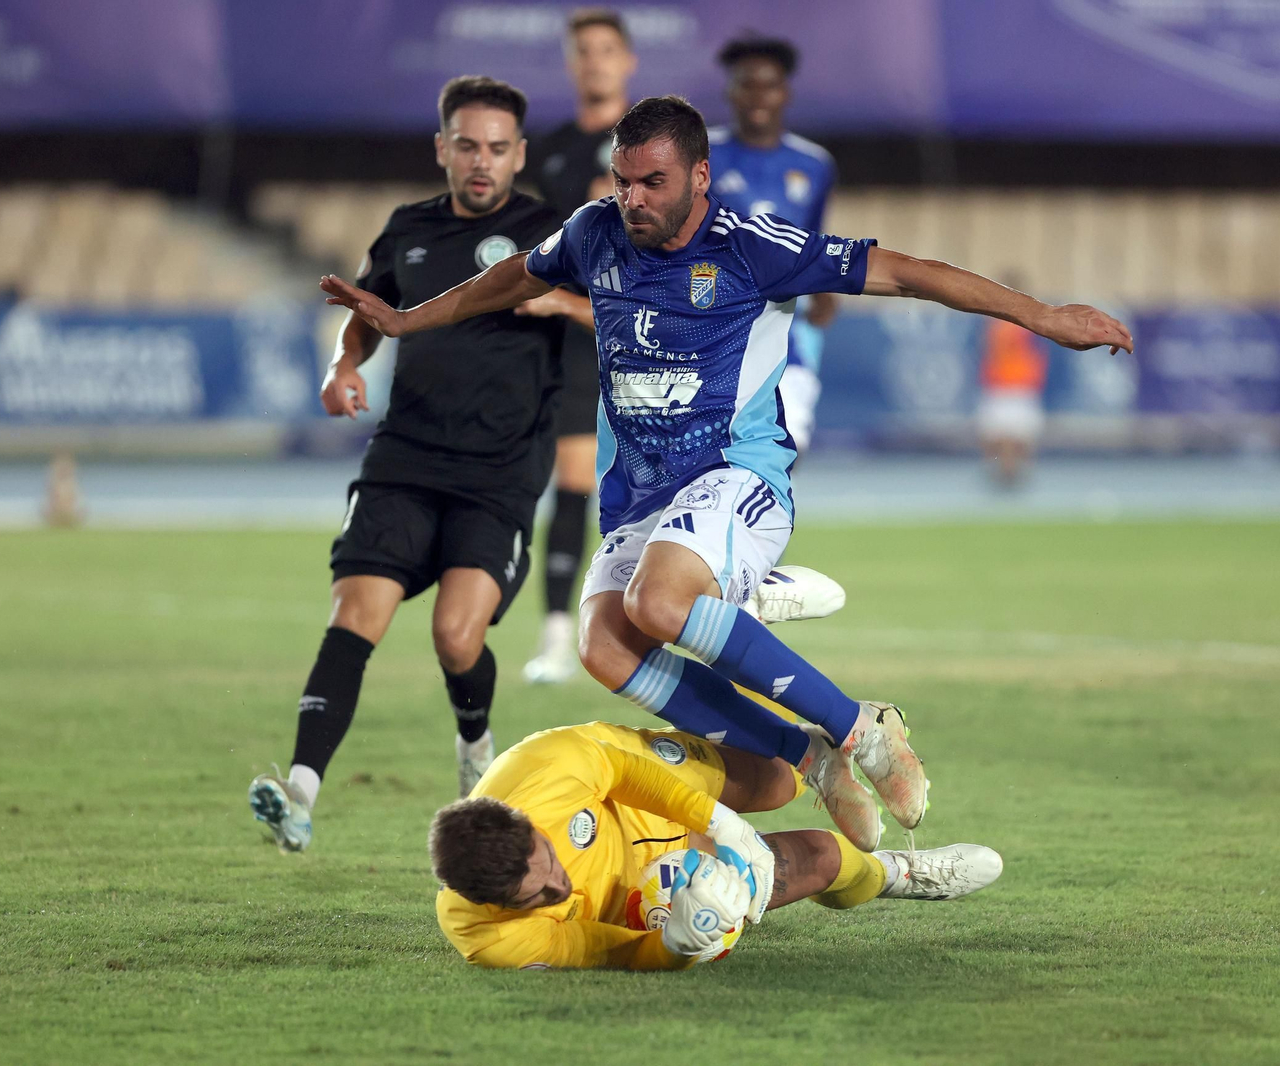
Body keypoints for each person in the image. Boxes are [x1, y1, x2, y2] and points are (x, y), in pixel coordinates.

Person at [318, 95, 1133, 847]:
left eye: (653, 182)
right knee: (605, 647)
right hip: (640, 497)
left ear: (700, 177)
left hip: (737, 476)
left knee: (658, 601)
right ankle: (807, 755)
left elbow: (907, 271)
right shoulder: (594, 232)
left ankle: (862, 729)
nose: (633, 198)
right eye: (623, 180)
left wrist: (1041, 315)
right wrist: (406, 321)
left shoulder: (752, 248)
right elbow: (510, 278)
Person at [248, 76, 592, 852]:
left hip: (500, 472)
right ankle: (299, 794)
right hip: (404, 458)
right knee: (353, 616)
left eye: (497, 148)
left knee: (455, 638)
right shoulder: (408, 228)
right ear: (443, 149)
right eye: (467, 145)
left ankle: (474, 742)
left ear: (520, 155)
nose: (482, 161)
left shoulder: (553, 233)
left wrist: (559, 302)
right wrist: (345, 364)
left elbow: (621, 311)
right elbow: (369, 313)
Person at [429, 721, 1004, 969]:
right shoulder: (492, 938)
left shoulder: (546, 769)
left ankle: (741, 619)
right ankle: (898, 873)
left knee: (777, 779)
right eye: (537, 897)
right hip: (643, 896)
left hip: (644, 786)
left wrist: (722, 824)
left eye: (550, 862)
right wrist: (676, 947)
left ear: (529, 825)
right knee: (826, 858)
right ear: (490, 903)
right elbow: (610, 954)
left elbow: (625, 773)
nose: (559, 886)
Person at [521, 8, 638, 684]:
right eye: (583, 51)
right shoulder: (554, 150)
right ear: (572, 64)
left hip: (647, 341)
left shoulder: (651, 144)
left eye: (606, 49)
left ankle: (680, 629)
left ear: (627, 61)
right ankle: (557, 643)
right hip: (576, 343)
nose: (595, 61)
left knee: (661, 492)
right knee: (571, 487)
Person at [708, 35, 837, 455]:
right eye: (747, 84)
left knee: (785, 446)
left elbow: (813, 239)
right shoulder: (700, 153)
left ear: (786, 92)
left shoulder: (815, 164)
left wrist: (825, 289)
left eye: (770, 85)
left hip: (787, 331)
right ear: (731, 91)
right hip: (713, 327)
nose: (758, 96)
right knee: (713, 454)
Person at [977, 312, 1050, 489]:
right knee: (997, 436)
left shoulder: (1029, 323)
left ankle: (1017, 474)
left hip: (1021, 386)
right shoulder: (995, 325)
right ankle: (1000, 473)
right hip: (1000, 386)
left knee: (1021, 437)